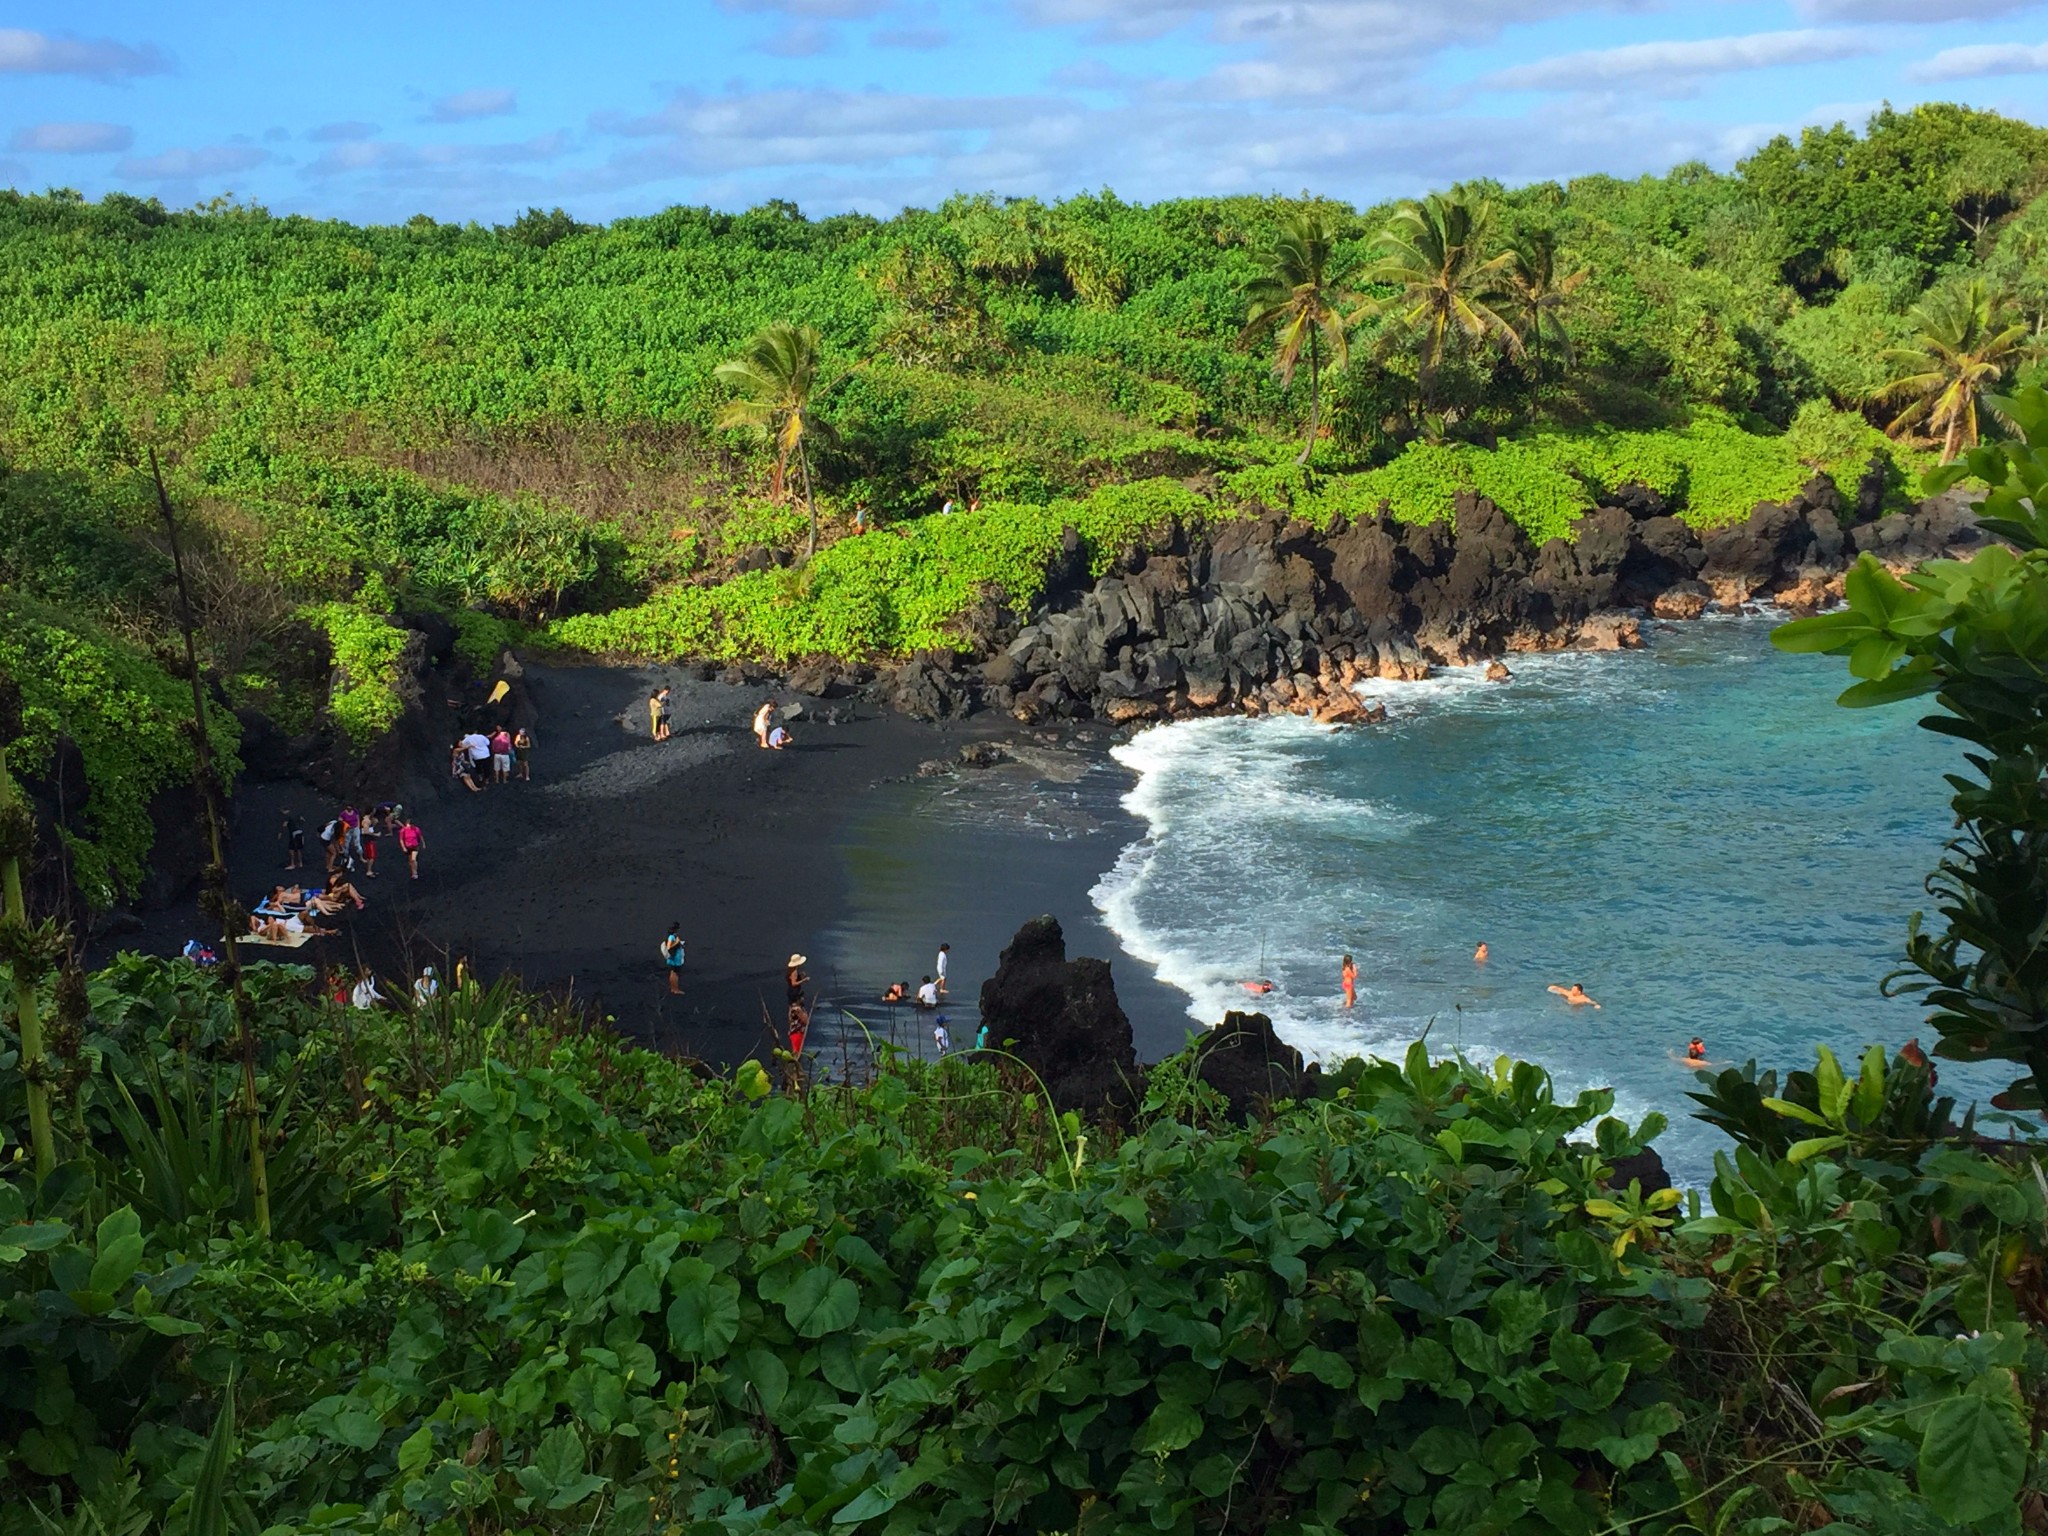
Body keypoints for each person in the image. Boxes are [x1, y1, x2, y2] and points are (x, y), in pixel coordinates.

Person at [661, 923, 686, 995]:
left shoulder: (673, 937)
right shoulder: (672, 937)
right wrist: (677, 942)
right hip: (675, 959)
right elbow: (669, 947)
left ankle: (673, 988)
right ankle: (675, 989)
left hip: (674, 959)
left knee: (673, 973)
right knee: (675, 974)